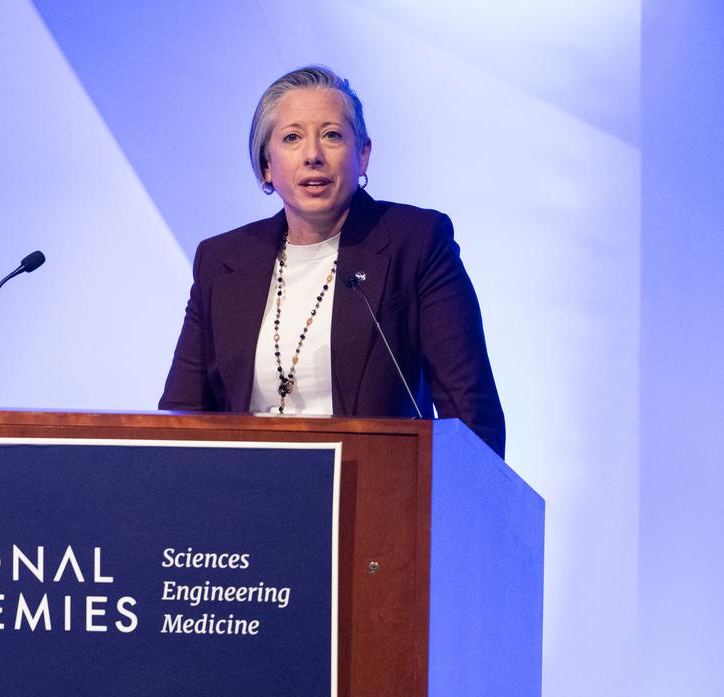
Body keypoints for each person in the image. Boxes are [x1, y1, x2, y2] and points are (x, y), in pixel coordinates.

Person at [158, 65, 506, 458]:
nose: (313, 156)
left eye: (332, 135)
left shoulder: (416, 242)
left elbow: (471, 413)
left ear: (363, 155)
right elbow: (181, 415)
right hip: (243, 486)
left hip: (373, 485)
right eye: (292, 137)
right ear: (267, 164)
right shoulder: (222, 261)